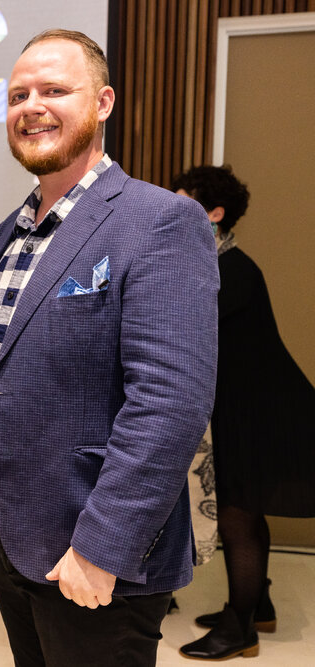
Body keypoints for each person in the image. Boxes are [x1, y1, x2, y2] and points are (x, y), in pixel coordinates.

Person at [0, 30, 218, 666]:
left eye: (54, 90)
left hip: (93, 547)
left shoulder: (159, 221)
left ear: (103, 103)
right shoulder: (13, 230)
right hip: (15, 533)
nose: (31, 106)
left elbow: (169, 402)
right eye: (17, 95)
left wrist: (101, 547)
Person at [172, 165, 315, 661]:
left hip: (258, 414)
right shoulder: (217, 261)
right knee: (247, 515)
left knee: (238, 517)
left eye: (185, 201)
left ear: (214, 213)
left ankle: (240, 629)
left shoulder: (230, 269)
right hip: (252, 408)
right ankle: (259, 606)